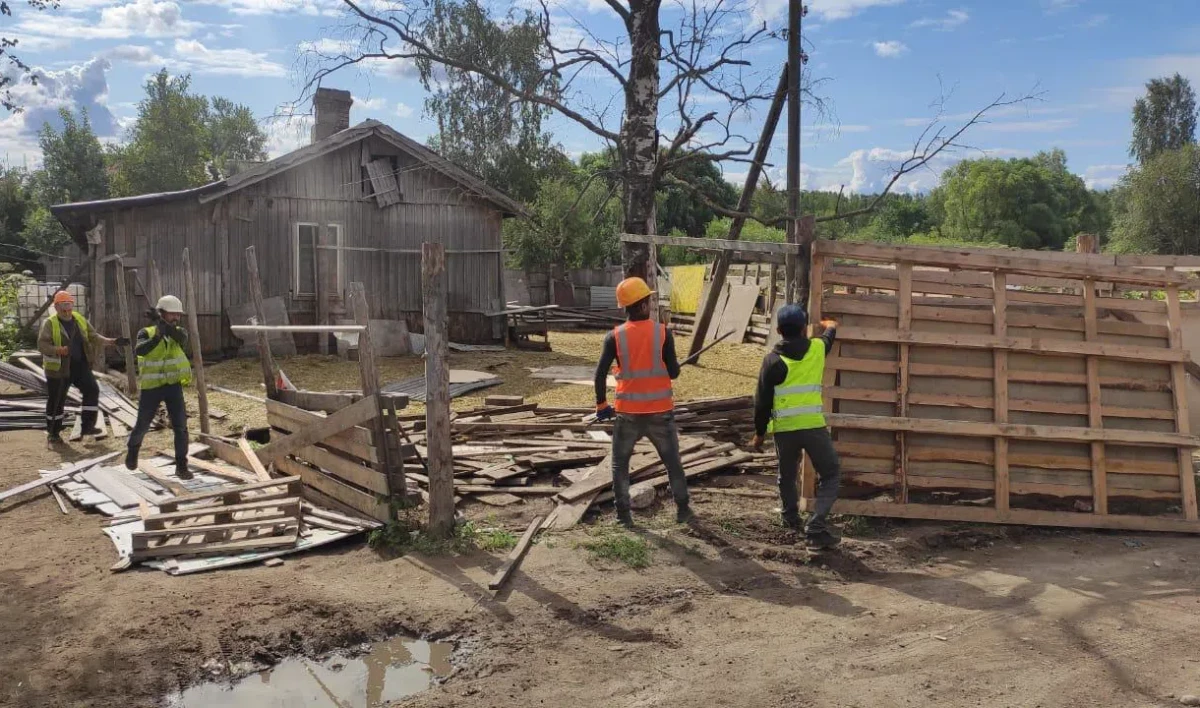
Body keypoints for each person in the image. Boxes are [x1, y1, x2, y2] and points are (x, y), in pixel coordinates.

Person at [594, 276, 693, 527]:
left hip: (628, 414)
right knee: (672, 463)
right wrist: (672, 364)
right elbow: (674, 373)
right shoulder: (663, 333)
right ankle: (683, 511)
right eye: (649, 300)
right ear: (642, 304)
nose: (651, 304)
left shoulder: (614, 336)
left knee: (620, 465)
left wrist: (601, 405)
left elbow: (599, 373)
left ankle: (624, 517)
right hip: (660, 413)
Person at [750, 304, 841, 549]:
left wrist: (759, 434)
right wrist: (831, 325)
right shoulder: (817, 350)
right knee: (831, 473)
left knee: (787, 475)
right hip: (813, 427)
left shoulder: (772, 361)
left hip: (785, 430)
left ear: (778, 330)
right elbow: (828, 338)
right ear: (803, 329)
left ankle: (790, 519)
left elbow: (762, 402)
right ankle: (816, 526)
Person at [125, 295, 193, 479]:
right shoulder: (145, 333)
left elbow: (181, 339)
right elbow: (140, 350)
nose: (177, 318)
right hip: (152, 387)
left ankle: (181, 466)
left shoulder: (179, 332)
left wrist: (165, 327)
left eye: (178, 315)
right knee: (142, 425)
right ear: (162, 313)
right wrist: (157, 334)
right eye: (173, 314)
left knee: (180, 427)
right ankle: (132, 451)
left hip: (173, 386)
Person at [37, 291, 117, 444]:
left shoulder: (79, 319)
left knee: (92, 390)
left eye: (68, 306)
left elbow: (93, 336)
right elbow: (42, 345)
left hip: (80, 366)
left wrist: (110, 341)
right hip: (58, 369)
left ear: (72, 305)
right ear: (56, 307)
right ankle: (53, 432)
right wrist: (57, 350)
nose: (66, 310)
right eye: (63, 307)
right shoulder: (49, 323)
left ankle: (87, 427)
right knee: (56, 400)